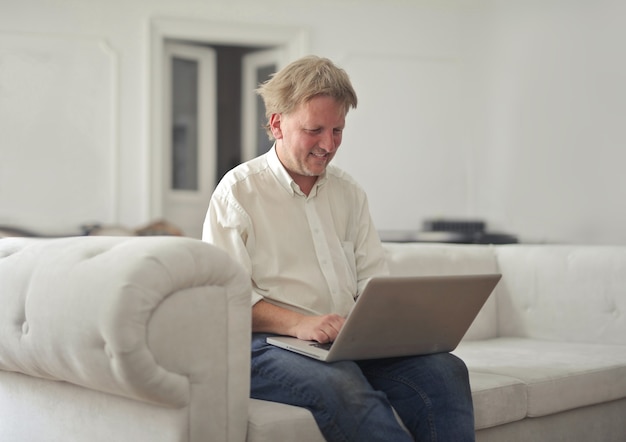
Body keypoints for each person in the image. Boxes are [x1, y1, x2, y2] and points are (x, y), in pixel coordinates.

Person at [203, 55, 475, 441]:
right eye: (314, 130)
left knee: (446, 370)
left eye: (338, 130)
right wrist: (301, 324)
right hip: (265, 348)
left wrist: (391, 322)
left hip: (345, 342)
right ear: (277, 124)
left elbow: (373, 280)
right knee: (342, 382)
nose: (328, 145)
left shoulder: (348, 193)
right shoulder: (238, 192)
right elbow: (225, 301)